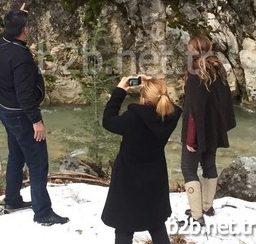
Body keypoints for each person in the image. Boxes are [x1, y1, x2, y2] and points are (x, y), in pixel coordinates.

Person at [0, 4, 69, 226]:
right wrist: (37, 122)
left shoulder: (0, 42)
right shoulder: (21, 58)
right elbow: (25, 95)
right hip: (21, 115)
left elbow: (9, 26)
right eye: (27, 26)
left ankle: (13, 200)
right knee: (38, 163)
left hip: (5, 110)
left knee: (16, 155)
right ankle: (43, 213)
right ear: (24, 31)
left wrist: (20, 14)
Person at [101, 75, 182, 244]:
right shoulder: (169, 117)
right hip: (155, 178)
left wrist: (120, 91)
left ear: (142, 98)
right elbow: (170, 105)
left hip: (128, 179)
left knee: (124, 228)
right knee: (157, 225)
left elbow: (108, 120)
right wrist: (154, 84)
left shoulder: (132, 118)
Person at [180, 35, 236, 226]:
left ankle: (197, 215)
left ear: (194, 50)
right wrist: (221, 126)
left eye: (190, 47)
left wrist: (190, 139)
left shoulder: (196, 73)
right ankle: (206, 206)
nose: (188, 50)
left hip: (197, 130)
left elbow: (193, 111)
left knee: (188, 169)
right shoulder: (218, 69)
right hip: (213, 128)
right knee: (209, 164)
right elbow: (224, 102)